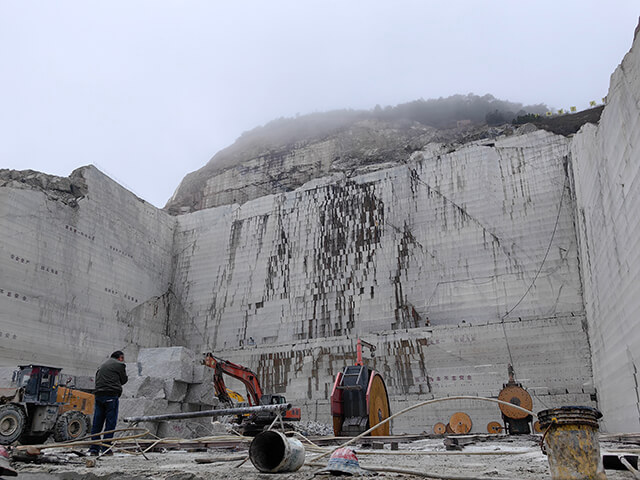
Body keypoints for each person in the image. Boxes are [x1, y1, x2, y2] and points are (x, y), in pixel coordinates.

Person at [89, 350, 128, 455]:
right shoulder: (119, 365)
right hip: (111, 395)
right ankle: (106, 449)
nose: (123, 360)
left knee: (97, 423)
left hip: (99, 395)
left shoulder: (102, 365)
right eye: (122, 358)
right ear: (120, 357)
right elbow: (124, 380)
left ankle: (94, 449)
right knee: (110, 423)